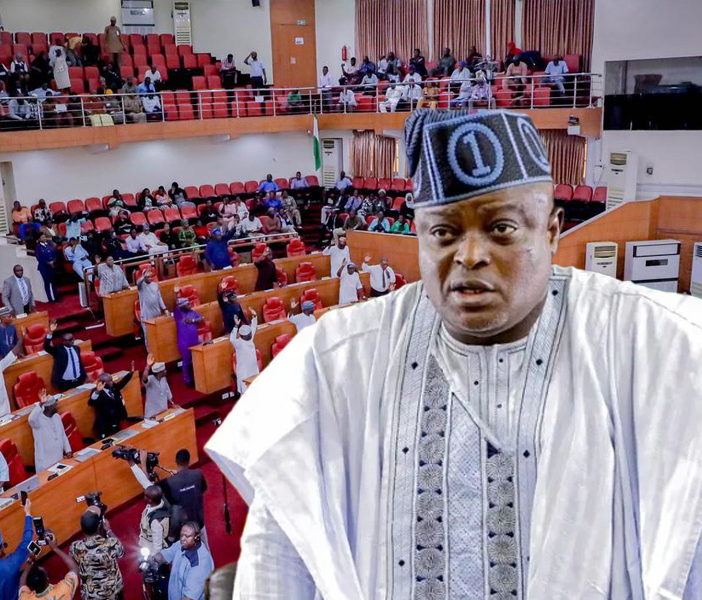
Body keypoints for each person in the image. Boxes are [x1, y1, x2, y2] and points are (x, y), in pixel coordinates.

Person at [207, 107, 702, 598]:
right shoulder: (334, 360)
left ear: (551, 231)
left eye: (501, 228)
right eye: (443, 232)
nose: (469, 255)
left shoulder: (653, 345)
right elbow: (278, 560)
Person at [70, 507, 125, 600]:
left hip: (91, 595)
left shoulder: (75, 547)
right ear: (100, 526)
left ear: (82, 529)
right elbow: (121, 552)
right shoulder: (111, 544)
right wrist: (109, 530)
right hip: (113, 592)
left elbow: (74, 564)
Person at [153, 521, 214, 600]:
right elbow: (164, 555)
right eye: (181, 535)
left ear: (197, 537)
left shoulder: (200, 564)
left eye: (187, 536)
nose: (183, 539)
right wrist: (151, 560)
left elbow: (189, 598)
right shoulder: (182, 544)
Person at [18, 531, 79, 600]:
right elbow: (74, 568)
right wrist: (55, 548)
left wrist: (29, 563)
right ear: (47, 578)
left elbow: (21, 584)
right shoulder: (63, 590)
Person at [28, 389, 73, 472]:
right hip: (45, 463)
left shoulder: (57, 416)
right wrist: (41, 403)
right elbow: (31, 419)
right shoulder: (38, 420)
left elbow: (63, 435)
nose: (57, 407)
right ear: (48, 408)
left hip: (59, 458)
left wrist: (68, 450)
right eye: (54, 405)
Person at [89, 369, 134, 438]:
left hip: (116, 420)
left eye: (111, 380)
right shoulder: (97, 392)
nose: (112, 382)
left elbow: (121, 384)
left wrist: (130, 374)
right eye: (109, 381)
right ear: (103, 382)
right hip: (105, 424)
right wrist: (97, 391)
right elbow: (91, 402)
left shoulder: (112, 387)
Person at [44, 321, 87, 391]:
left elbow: (79, 363)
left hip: (78, 380)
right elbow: (46, 347)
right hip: (66, 383)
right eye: (69, 340)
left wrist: (84, 376)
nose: (72, 341)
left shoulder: (77, 348)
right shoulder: (58, 350)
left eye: (72, 339)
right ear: (63, 341)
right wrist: (51, 332)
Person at [174, 298, 202, 386]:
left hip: (195, 341)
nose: (190, 305)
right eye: (187, 304)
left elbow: (201, 318)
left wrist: (193, 320)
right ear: (182, 306)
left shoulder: (192, 312)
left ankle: (197, 378)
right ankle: (188, 380)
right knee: (187, 362)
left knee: (197, 360)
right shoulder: (178, 314)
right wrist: (176, 295)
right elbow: (175, 306)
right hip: (184, 342)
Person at [137, 269, 171, 344]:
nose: (150, 278)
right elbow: (138, 283)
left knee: (157, 333)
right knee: (148, 334)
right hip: (146, 314)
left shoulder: (155, 285)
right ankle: (149, 350)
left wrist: (165, 309)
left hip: (156, 312)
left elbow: (159, 298)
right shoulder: (141, 286)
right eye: (148, 277)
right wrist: (143, 276)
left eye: (151, 276)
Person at [231, 310, 259, 394]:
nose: (250, 335)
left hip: (253, 369)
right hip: (244, 371)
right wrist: (236, 325)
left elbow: (253, 326)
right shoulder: (239, 343)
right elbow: (232, 339)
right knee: (245, 392)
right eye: (248, 335)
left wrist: (254, 316)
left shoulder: (249, 338)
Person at [143, 354, 176, 419]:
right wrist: (147, 366)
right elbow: (144, 379)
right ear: (159, 372)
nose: (166, 371)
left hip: (164, 411)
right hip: (152, 414)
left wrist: (172, 402)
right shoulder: (150, 379)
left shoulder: (164, 379)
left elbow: (167, 391)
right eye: (164, 370)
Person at [35, 234, 60, 303]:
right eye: (42, 237)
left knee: (54, 282)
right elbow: (38, 257)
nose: (44, 238)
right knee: (47, 283)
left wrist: (53, 261)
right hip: (44, 267)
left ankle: (56, 297)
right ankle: (50, 299)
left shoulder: (50, 245)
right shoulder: (38, 247)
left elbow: (55, 254)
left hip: (53, 265)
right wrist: (48, 262)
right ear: (39, 239)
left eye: (44, 237)